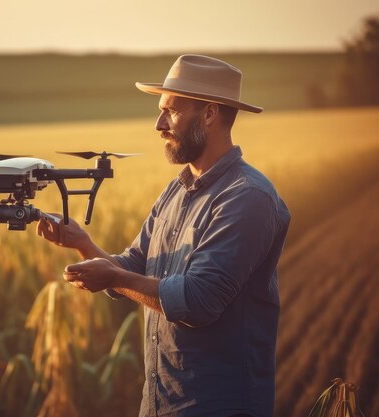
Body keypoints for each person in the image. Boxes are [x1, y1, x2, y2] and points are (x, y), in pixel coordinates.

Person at [36, 54, 291, 417]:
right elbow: (133, 269)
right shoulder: (175, 192)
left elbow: (198, 301)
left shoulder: (247, 196)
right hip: (160, 404)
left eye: (171, 111)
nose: (158, 124)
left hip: (219, 407)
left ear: (209, 114)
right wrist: (81, 243)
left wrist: (114, 276)